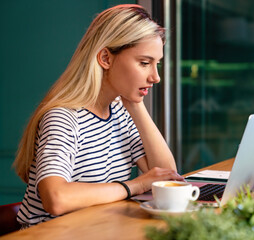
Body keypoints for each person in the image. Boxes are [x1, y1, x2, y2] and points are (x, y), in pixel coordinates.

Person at [13, 4, 184, 228]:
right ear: (106, 58)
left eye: (157, 64)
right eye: (144, 63)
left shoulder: (120, 112)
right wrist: (135, 185)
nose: (156, 77)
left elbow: (165, 176)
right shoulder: (64, 118)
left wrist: (135, 105)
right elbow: (56, 198)